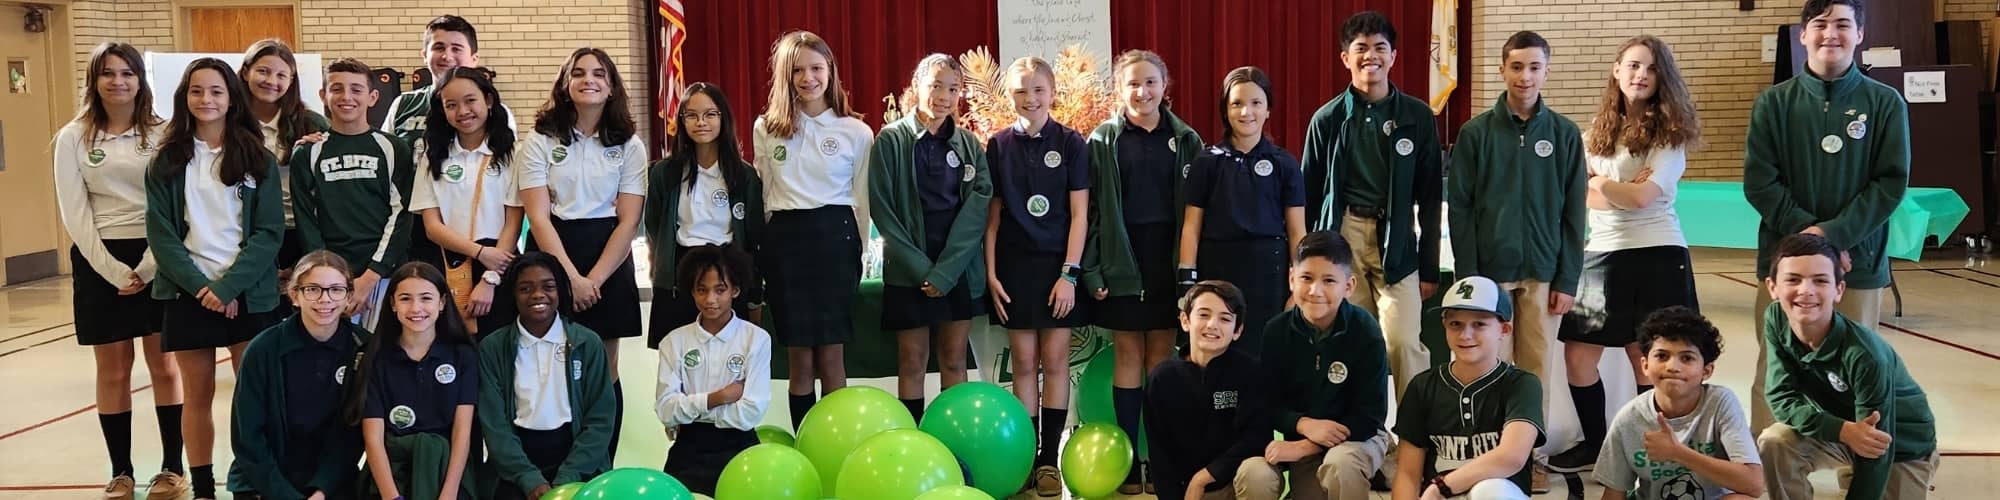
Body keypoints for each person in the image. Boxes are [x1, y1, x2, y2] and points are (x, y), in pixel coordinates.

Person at [1743, 0, 1909, 432]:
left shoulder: (1885, 103)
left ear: (1860, 34)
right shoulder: (1773, 104)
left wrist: (1835, 238)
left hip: (1859, 263)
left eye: (1842, 24)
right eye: (1820, 24)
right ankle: (1770, 463)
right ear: (1803, 35)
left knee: (1858, 370)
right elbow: (1761, 183)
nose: (1830, 33)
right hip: (1785, 264)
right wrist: (1814, 245)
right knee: (1777, 368)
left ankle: (1856, 466)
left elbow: (1890, 183)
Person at [1547, 34, 1704, 473]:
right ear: (1616, 70)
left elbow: (1642, 201)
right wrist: (1615, 189)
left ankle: (1644, 448)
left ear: (1662, 79)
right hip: (1602, 252)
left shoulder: (1670, 134)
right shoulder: (1591, 134)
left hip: (1657, 251)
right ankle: (1599, 448)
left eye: (1652, 69)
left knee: (1646, 355)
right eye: (1633, 65)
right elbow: (1578, 198)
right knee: (1578, 355)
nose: (1641, 75)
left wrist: (1598, 182)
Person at [1446, 30, 1585, 491]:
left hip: (1544, 274)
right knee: (1489, 366)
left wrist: (1567, 276)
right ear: (1502, 70)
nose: (1525, 76)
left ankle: (1532, 457)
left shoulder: (1564, 135)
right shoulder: (1476, 133)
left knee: (1534, 371)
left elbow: (1574, 212)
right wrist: (1470, 279)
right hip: (1490, 277)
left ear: (1546, 70)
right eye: (1517, 66)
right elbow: (1461, 208)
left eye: (1534, 67)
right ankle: (1486, 457)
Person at [145, 57, 288, 500]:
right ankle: (204, 485)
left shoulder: (256, 157)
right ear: (184, 98)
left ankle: (252, 479)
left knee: (253, 396)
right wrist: (203, 289)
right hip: (189, 292)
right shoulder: (166, 160)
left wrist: (228, 287)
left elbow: (269, 232)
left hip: (248, 291)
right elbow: (162, 236)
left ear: (232, 98)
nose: (206, 99)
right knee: (198, 394)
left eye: (216, 91)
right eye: (196, 91)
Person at [56, 41, 190, 500]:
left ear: (140, 79)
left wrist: (153, 263)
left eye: (127, 73)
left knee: (164, 365)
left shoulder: (164, 133)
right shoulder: (73, 137)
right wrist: (113, 270)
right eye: (107, 73)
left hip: (159, 254)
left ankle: (173, 468)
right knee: (112, 370)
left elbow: (175, 204)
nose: (118, 82)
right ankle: (121, 471)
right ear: (94, 81)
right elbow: (75, 213)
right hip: (101, 259)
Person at [1301, 10, 1444, 399]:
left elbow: (1431, 196)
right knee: (1353, 342)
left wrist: (1428, 264)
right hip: (1342, 237)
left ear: (1394, 56)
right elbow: (1308, 197)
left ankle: (1414, 440)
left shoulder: (1415, 116)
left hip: (1396, 240)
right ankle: (1364, 438)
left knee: (1403, 341)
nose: (1371, 56)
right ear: (1345, 58)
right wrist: (1309, 263)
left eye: (1380, 48)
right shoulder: (1327, 119)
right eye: (1360, 48)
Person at [1084, 49, 1206, 495]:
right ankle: (1130, 459)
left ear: (1165, 86)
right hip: (1122, 259)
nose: (1142, 91)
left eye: (1150, 82)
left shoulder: (1187, 139)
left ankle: (1159, 457)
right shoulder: (1102, 140)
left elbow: (1197, 214)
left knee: (1161, 360)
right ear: (1120, 89)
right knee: (1128, 356)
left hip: (1166, 261)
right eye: (1133, 83)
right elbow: (1092, 212)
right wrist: (1094, 270)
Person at [521, 46, 646, 461]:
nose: (588, 80)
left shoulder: (629, 144)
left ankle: (602, 461)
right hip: (553, 251)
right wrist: (570, 278)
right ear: (565, 84)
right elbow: (538, 217)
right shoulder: (540, 140)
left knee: (604, 366)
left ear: (611, 87)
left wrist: (593, 279)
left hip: (607, 255)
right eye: (578, 73)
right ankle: (561, 459)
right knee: (555, 360)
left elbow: (628, 221)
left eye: (598, 74)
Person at [750, 31, 874, 431]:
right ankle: (806, 440)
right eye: (798, 70)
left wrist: (862, 250)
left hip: (836, 239)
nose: (808, 78)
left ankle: (834, 441)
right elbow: (765, 193)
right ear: (785, 77)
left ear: (830, 72)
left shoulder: (856, 131)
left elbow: (860, 198)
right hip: (786, 243)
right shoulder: (766, 128)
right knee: (800, 358)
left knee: (832, 355)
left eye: (816, 68)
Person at [981, 55, 1091, 496]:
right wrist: (991, 273)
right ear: (1010, 96)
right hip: (1013, 267)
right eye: (1022, 91)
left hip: (1058, 267)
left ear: (1053, 93)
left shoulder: (1071, 142)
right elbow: (992, 217)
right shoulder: (998, 144)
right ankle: (1027, 459)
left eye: (1038, 90)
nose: (1031, 98)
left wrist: (1070, 274)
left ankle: (1050, 460)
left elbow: (1081, 215)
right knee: (1023, 363)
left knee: (1056, 361)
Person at [1757, 234, 1936, 500]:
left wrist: (1853, 440)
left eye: (1820, 280)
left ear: (1838, 290)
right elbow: (1781, 397)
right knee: (1775, 441)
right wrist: (1842, 431)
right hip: (1846, 432)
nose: (1806, 290)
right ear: (1772, 287)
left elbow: (1877, 447)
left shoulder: (1865, 355)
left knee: (1869, 460)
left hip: (1901, 448)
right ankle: (1847, 468)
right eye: (1793, 279)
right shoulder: (1776, 318)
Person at [869, 53, 992, 423]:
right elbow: (883, 209)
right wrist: (924, 270)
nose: (944, 96)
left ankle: (953, 438)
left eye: (953, 88)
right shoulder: (891, 140)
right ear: (916, 88)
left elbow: (979, 205)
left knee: (954, 358)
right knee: (912, 360)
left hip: (956, 270)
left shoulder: (969, 144)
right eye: (935, 85)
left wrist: (945, 272)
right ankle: (914, 439)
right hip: (910, 272)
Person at [1241, 230, 1390, 500]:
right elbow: (1268, 402)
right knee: (1255, 473)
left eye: (1329, 280)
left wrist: (1305, 447)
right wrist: (1303, 424)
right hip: (1302, 436)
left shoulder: (1365, 330)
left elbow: (1370, 416)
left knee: (1341, 465)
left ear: (1349, 286)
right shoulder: (1276, 331)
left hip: (1357, 438)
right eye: (1306, 278)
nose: (1315, 291)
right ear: (1291, 279)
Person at [1178, 65, 1305, 350]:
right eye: (1237, 104)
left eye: (1256, 103)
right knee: (1217, 352)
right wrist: (1187, 283)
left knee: (1266, 353)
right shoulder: (1207, 161)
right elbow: (1191, 227)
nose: (1246, 112)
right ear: (1225, 109)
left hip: (1269, 275)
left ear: (1268, 109)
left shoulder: (1284, 163)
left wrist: (1298, 284)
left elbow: (1298, 231)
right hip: (1217, 269)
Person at [226, 250, 367, 500]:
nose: (325, 299)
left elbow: (353, 434)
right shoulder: (263, 349)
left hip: (331, 480)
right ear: (294, 295)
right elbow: (248, 437)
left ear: (349, 297)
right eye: (313, 289)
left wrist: (322, 490)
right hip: (266, 481)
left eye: (336, 289)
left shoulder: (363, 347)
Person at [1390, 276, 1545, 500]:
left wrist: (1441, 487)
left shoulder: (1522, 384)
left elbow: (1511, 456)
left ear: (1504, 329)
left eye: (1479, 324)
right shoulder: (1423, 386)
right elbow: (1408, 473)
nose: (1465, 335)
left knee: (1491, 490)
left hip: (1494, 496)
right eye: (1456, 324)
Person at [478, 252, 617, 500]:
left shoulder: (587, 343)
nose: (538, 295)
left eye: (548, 287)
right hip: (517, 462)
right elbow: (494, 424)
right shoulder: (492, 348)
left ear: (560, 291)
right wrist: (528, 478)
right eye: (525, 288)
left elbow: (600, 419)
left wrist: (569, 477)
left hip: (576, 459)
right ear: (512, 294)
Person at [289, 58, 416, 328]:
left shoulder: (393, 148)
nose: (346, 97)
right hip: (330, 282)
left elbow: (402, 215)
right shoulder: (308, 153)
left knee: (381, 358)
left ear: (372, 97)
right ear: (323, 95)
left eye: (356, 89)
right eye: (337, 88)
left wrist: (370, 276)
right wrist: (334, 281)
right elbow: (306, 221)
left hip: (383, 275)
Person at [1592, 307, 1764, 500]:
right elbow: (1614, 493)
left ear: (1706, 371)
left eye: (1687, 358)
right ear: (1645, 365)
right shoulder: (1629, 419)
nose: (1673, 367)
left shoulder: (1720, 403)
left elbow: (1754, 484)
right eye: (1662, 356)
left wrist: (1678, 453)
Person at [644, 82, 763, 349]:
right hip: (680, 272)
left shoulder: (743, 175)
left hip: (727, 268)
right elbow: (654, 224)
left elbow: (754, 232)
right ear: (682, 121)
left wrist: (753, 287)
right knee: (681, 360)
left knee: (729, 358)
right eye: (692, 115)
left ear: (723, 117)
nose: (701, 122)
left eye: (710, 114)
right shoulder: (665, 172)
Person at [350, 262, 480, 500]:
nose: (416, 308)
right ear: (392, 304)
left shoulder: (463, 355)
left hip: (445, 470)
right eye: (405, 298)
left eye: (426, 298)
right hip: (390, 474)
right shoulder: (377, 357)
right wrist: (392, 497)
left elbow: (462, 431)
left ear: (441, 303)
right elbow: (373, 438)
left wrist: (449, 493)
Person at [410, 67, 524, 337]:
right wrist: (479, 253)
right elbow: (431, 226)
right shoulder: (433, 156)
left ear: (488, 100)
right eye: (451, 105)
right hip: (447, 265)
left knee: (496, 353)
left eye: (470, 100)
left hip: (499, 264)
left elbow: (513, 222)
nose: (462, 111)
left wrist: (491, 277)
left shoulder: (514, 154)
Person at [654, 245, 772, 495]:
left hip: (740, 448)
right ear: (692, 292)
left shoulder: (757, 339)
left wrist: (691, 410)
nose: (710, 300)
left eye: (720, 290)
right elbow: (665, 409)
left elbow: (751, 412)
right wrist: (718, 398)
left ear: (735, 290)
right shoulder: (673, 342)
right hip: (688, 450)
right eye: (702, 290)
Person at [1144, 281, 1270, 500]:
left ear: (1237, 330)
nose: (1213, 325)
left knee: (1259, 473)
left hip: (1234, 484)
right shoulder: (1163, 379)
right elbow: (1159, 454)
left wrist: (1204, 477)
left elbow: (1256, 438)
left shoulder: (1250, 371)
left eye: (1225, 318)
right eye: (1203, 315)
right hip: (1187, 494)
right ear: (1185, 320)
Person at [239, 39, 331, 298]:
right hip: (249, 233)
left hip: (298, 229)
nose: (272, 81)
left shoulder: (310, 122)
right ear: (246, 72)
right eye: (263, 71)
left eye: (282, 75)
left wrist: (312, 152)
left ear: (292, 81)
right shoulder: (230, 121)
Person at [384, 14, 517, 146]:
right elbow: (385, 156)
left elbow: (506, 161)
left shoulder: (495, 111)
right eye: (439, 47)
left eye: (456, 49)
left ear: (474, 59)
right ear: (425, 55)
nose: (447, 56)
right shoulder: (402, 104)